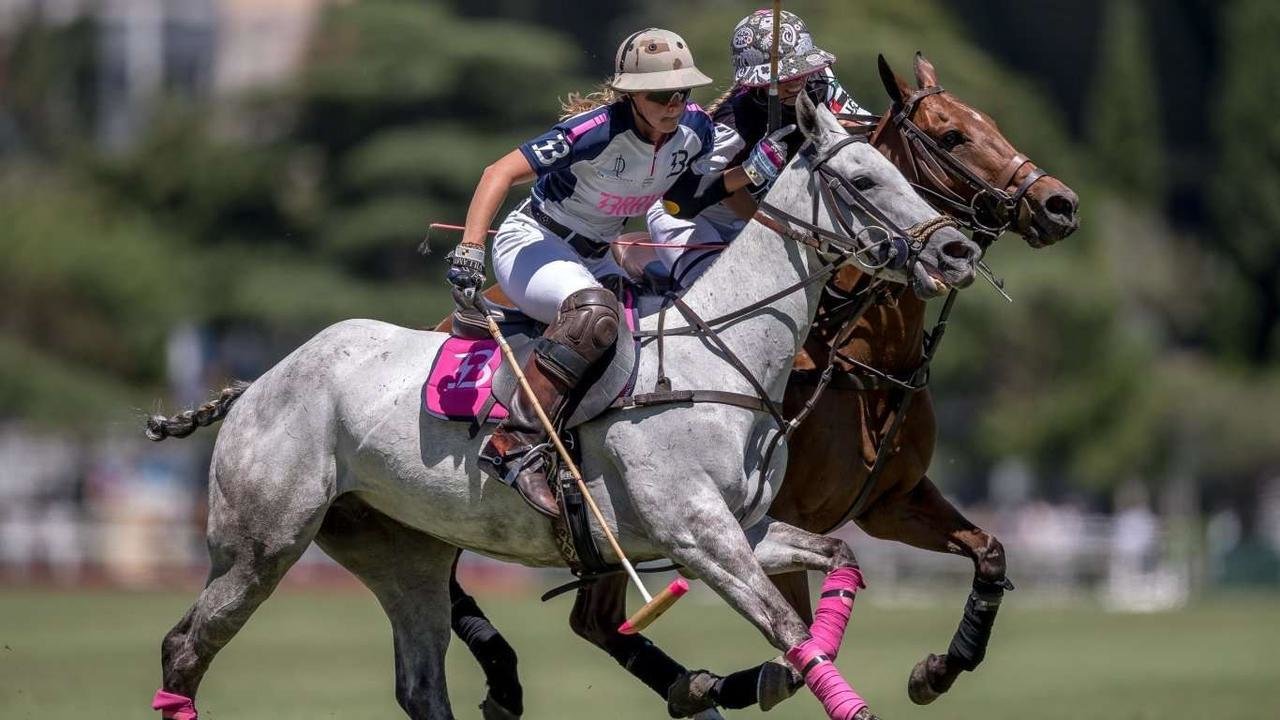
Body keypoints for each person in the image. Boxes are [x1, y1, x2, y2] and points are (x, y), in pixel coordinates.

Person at [447, 28, 792, 517]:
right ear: (632, 95)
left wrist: (753, 171)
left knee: (668, 329)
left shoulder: (695, 129)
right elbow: (497, 172)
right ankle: (514, 444)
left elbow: (686, 200)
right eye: (659, 95)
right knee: (594, 315)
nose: (674, 104)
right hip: (535, 244)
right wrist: (469, 249)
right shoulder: (594, 131)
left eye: (682, 92)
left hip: (596, 256)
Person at [648, 9, 871, 287]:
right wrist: (749, 171)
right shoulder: (733, 123)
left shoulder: (820, 79)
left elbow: (866, 127)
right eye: (783, 76)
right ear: (756, 80)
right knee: (721, 293)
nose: (797, 79)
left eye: (801, 68)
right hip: (694, 222)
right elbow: (689, 198)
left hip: (761, 216)